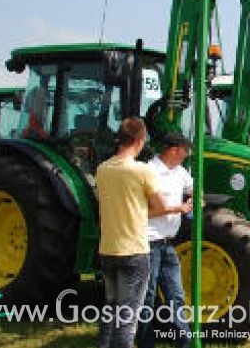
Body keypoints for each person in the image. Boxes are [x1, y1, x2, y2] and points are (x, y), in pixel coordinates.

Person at [96, 118, 175, 348]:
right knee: (127, 319)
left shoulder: (102, 169)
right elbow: (159, 207)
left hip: (108, 249)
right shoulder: (142, 171)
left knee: (110, 309)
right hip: (134, 251)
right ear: (140, 141)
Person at [138, 133, 194, 348]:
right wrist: (178, 208)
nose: (186, 156)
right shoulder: (148, 172)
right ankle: (145, 342)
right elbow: (141, 211)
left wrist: (196, 198)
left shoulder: (180, 172)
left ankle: (184, 342)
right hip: (149, 242)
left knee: (176, 294)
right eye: (184, 151)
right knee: (148, 296)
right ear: (174, 150)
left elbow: (192, 189)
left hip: (168, 243)